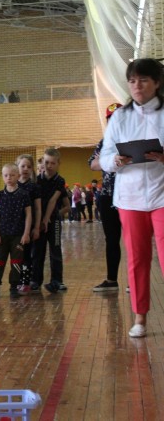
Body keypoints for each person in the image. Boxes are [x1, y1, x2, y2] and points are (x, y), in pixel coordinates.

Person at [99, 58, 164, 338]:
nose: (137, 85)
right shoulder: (120, 117)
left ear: (157, 83)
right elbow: (104, 156)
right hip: (130, 197)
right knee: (137, 259)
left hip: (162, 195)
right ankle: (140, 318)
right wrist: (115, 160)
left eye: (144, 80)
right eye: (132, 80)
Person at [90, 102, 124, 293]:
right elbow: (92, 164)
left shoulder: (132, 139)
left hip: (129, 196)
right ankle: (112, 280)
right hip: (107, 196)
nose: (114, 122)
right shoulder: (105, 143)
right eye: (110, 119)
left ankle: (133, 281)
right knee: (111, 239)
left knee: (133, 240)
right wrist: (111, 160)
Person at [0, 164, 31, 298]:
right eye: (6, 175)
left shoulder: (23, 195)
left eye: (12, 175)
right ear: (2, 177)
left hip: (18, 235)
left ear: (18, 176)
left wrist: (26, 233)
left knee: (16, 262)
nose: (9, 178)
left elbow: (28, 215)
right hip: (2, 235)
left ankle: (14, 287)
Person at [32, 148, 68, 294]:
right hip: (38, 221)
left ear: (58, 164)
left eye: (53, 163)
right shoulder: (37, 180)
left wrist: (46, 219)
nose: (49, 166)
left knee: (55, 250)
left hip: (53, 221)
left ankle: (57, 281)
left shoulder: (60, 180)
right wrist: (39, 222)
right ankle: (35, 280)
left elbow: (53, 200)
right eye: (47, 162)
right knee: (38, 251)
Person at [15, 154, 41, 295]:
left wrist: (36, 227)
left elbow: (37, 209)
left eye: (29, 166)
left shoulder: (34, 187)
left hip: (28, 227)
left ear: (32, 169)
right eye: (22, 166)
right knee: (16, 255)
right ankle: (16, 281)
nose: (25, 169)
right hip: (14, 227)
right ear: (17, 167)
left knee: (26, 255)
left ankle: (25, 282)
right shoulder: (12, 185)